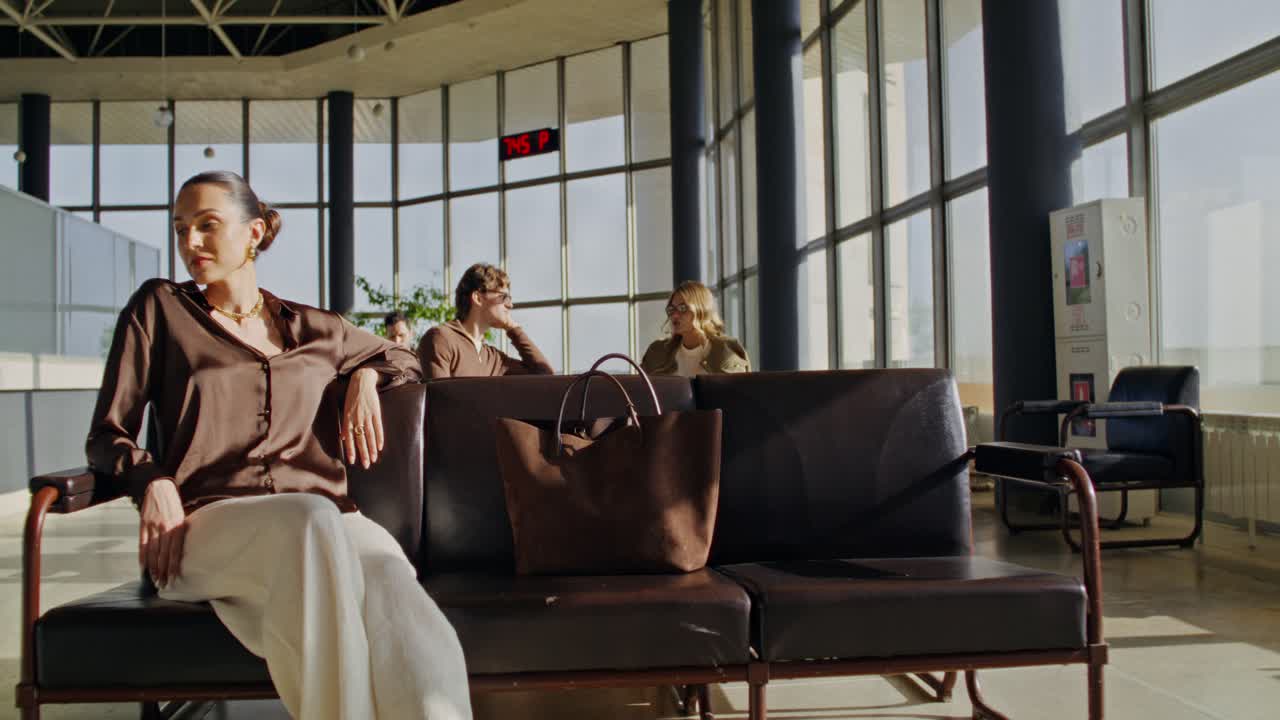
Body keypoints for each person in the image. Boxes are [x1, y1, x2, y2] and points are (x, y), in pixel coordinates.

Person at [85, 171, 471, 720]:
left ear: (254, 233)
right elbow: (107, 433)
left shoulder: (319, 329)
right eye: (180, 228)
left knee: (392, 583)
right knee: (311, 519)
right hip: (208, 526)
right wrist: (154, 480)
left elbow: (404, 359)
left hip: (326, 524)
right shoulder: (160, 309)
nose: (190, 241)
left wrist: (365, 376)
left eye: (207, 225)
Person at [417, 263, 555, 378]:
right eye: (504, 297)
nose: (510, 305)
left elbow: (545, 375)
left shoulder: (493, 358)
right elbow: (439, 398)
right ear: (478, 298)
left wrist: (513, 329)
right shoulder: (441, 338)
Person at [641, 280, 750, 377]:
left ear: (701, 310)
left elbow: (737, 391)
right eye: (671, 309)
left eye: (683, 308)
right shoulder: (658, 351)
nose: (675, 315)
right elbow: (640, 388)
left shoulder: (726, 350)